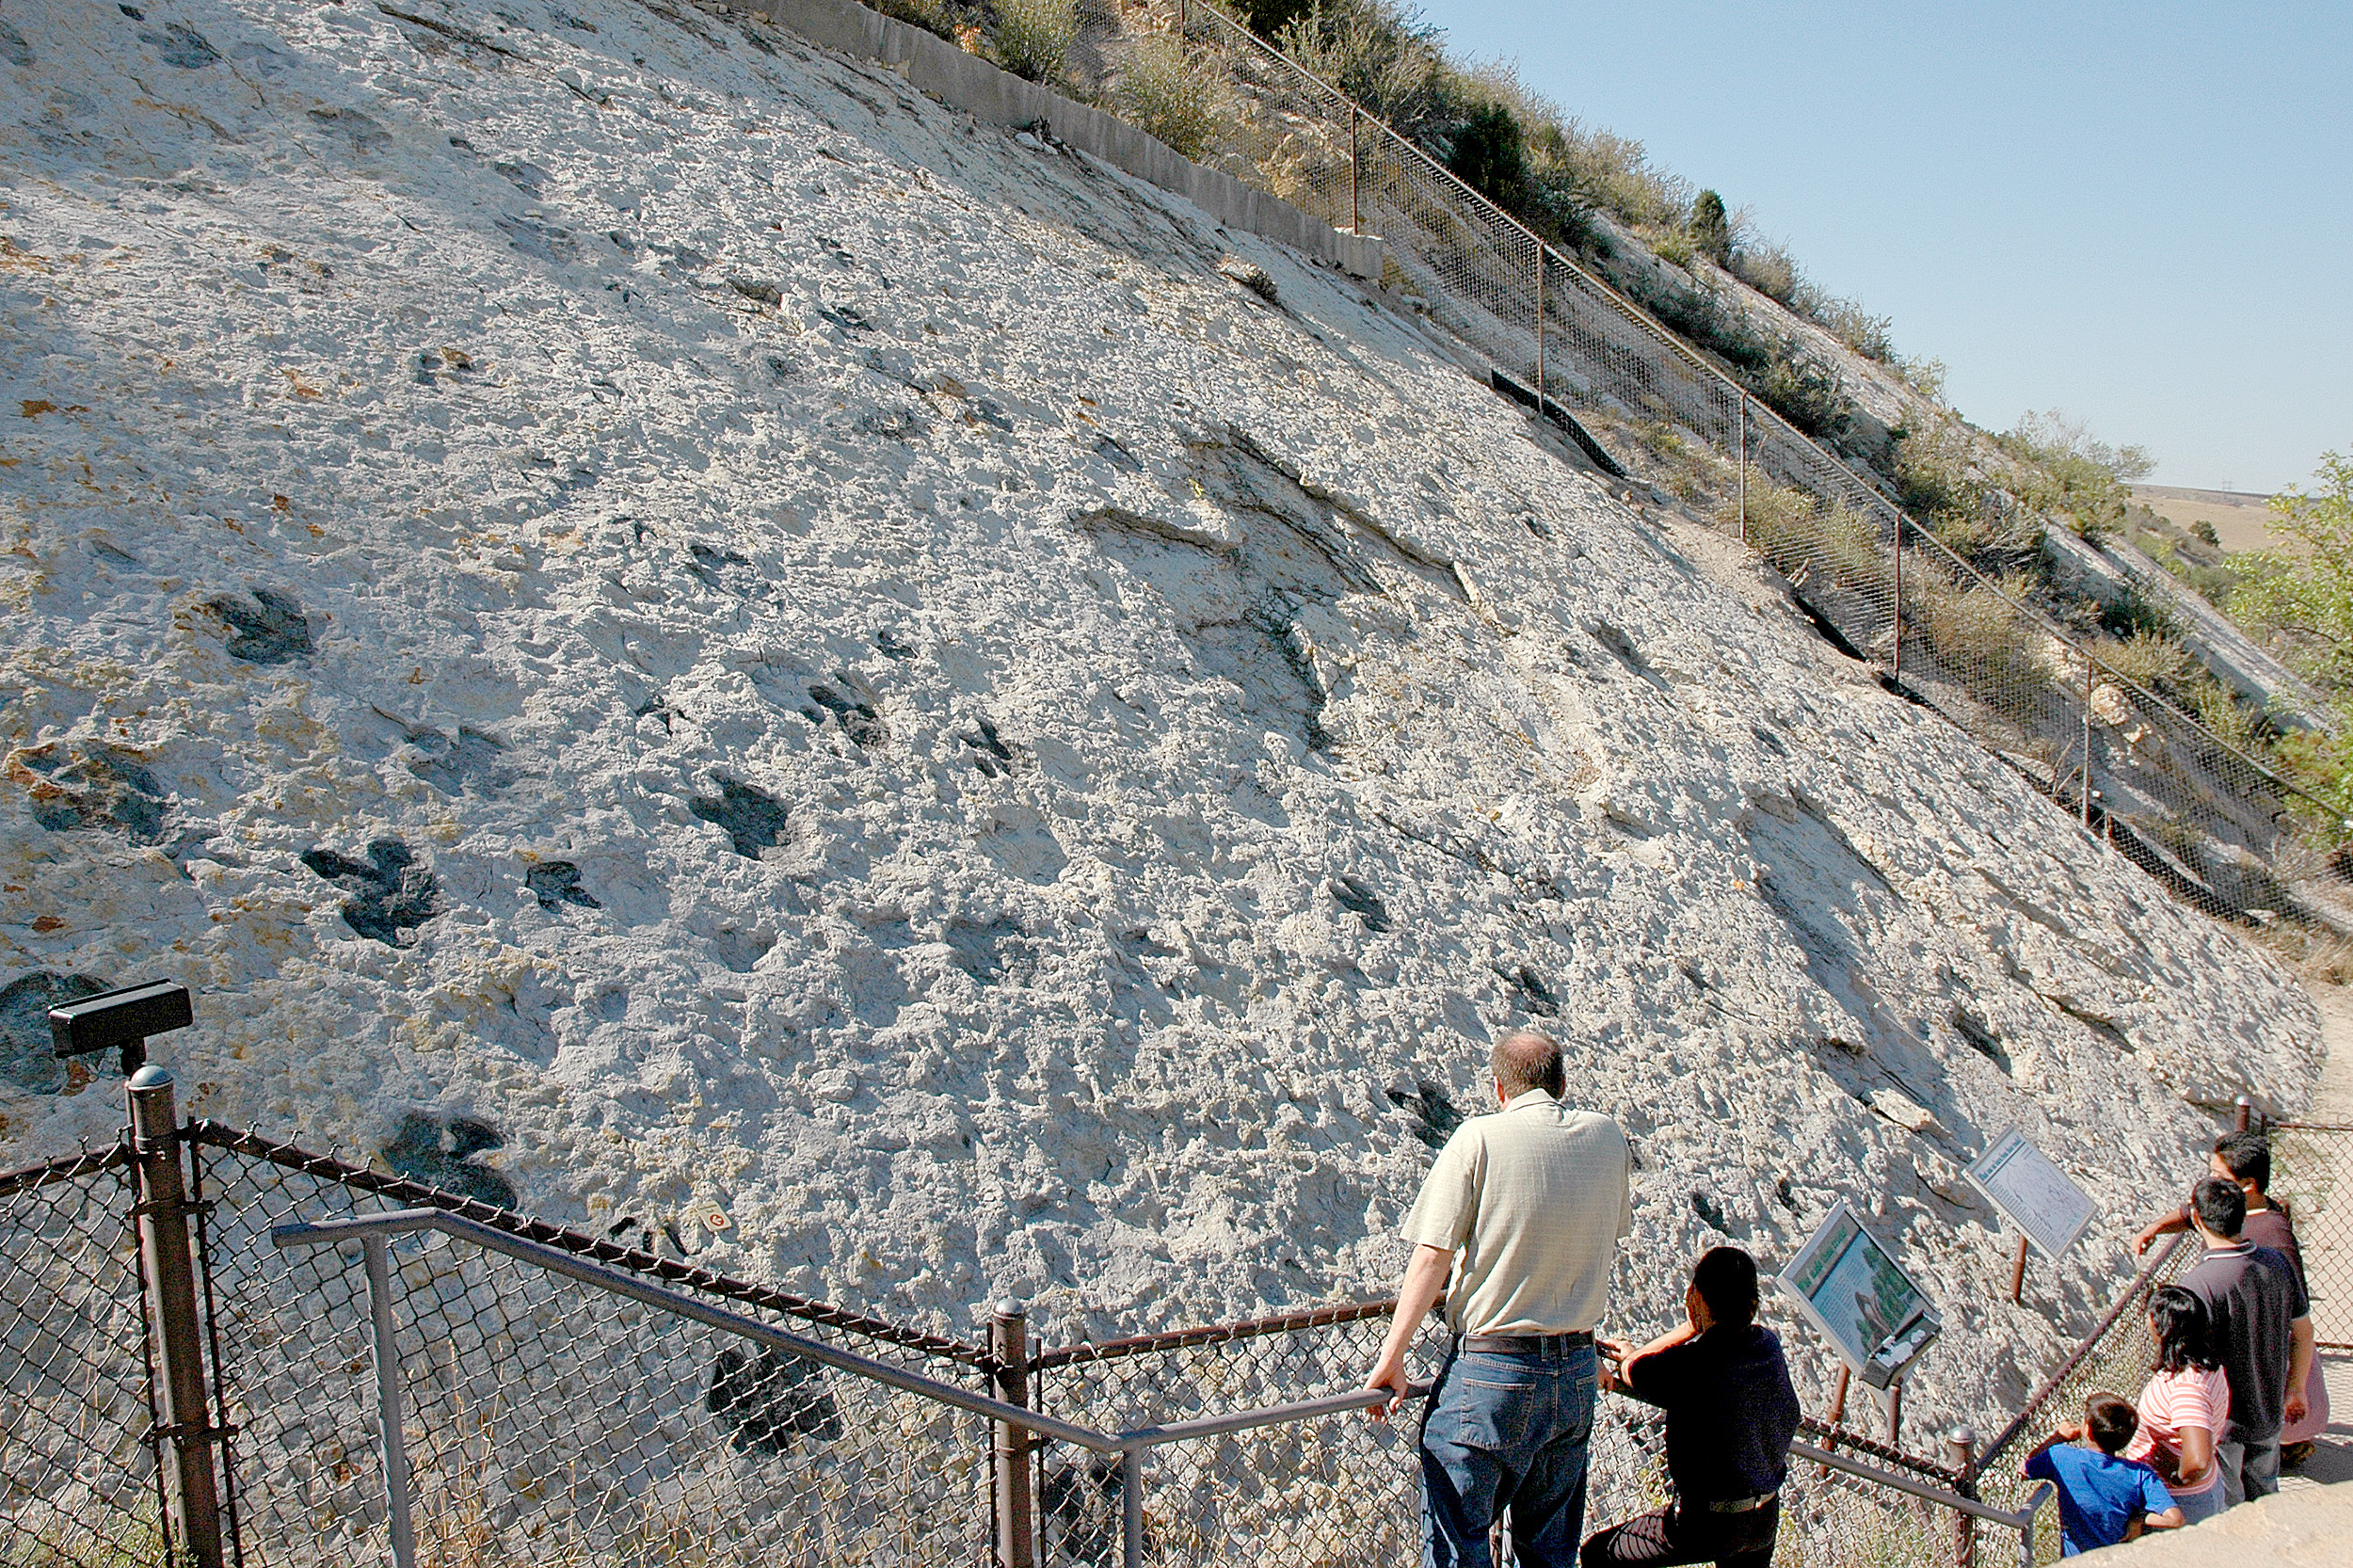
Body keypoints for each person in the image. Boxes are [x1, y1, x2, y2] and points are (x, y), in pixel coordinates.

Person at [1364, 1030, 1634, 1568]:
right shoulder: (1608, 1138)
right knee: (1549, 1550)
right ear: (1561, 1083)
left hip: (1494, 1368)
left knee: (1459, 1540)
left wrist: (1391, 1356)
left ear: (1498, 1088)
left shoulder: (1478, 1138)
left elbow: (1432, 1256)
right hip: (1577, 1370)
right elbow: (1609, 1232)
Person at [1580, 1247, 1801, 1568]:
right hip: (1762, 1516)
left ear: (1696, 1296)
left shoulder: (1693, 1364)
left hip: (1704, 1524)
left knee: (1599, 1553)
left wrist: (1688, 1329)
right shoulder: (1768, 1345)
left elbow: (1633, 1368)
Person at [2134, 1129, 2329, 1461]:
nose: (2211, 1181)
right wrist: (2153, 1228)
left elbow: (2299, 1325)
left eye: (2218, 1176)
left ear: (2248, 1186)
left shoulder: (2274, 1242)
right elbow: (2192, 1212)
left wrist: (2296, 1388)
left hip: (2248, 1392)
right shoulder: (2235, 1215)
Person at [2175, 1176, 2313, 1506]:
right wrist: (2296, 1388)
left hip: (2224, 1425)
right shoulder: (2276, 1263)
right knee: (2266, 1495)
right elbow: (2304, 1332)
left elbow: (2187, 1364)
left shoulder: (2197, 1285)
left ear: (2196, 1218)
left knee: (2232, 1509)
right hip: (2269, 1412)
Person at [2022, 1393, 2185, 1555]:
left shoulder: (2061, 1457)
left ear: (2088, 1431)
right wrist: (2138, 1519)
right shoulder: (2141, 1474)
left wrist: (2058, 1437)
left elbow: (2025, 1469)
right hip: (2118, 1558)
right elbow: (2175, 1519)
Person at [2122, 1287, 2231, 1527]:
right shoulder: (2205, 1364)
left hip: (2179, 1502)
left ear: (2162, 1327)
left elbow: (2199, 1460)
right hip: (2198, 1493)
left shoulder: (2187, 1388)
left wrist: (2178, 1477)